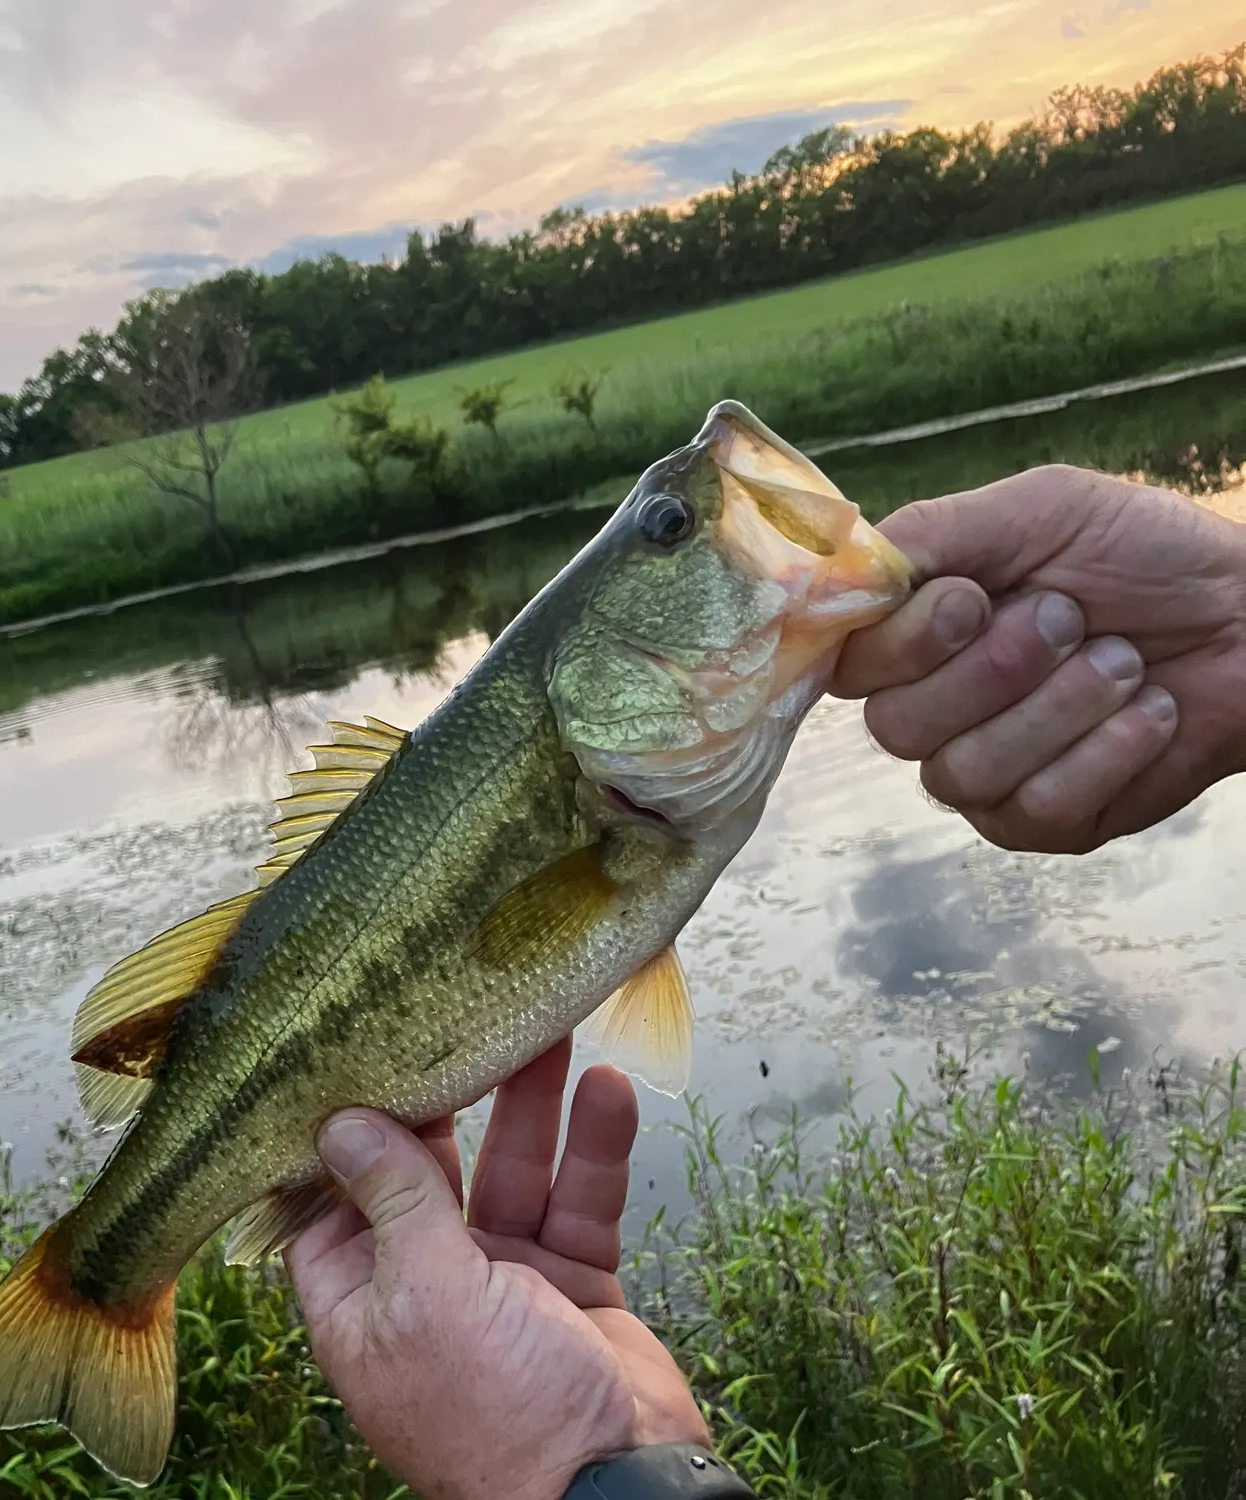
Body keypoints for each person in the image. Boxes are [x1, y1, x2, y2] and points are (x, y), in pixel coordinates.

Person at [285, 464, 1246, 1499]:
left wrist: (553, 1473)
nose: (713, 506)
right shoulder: (604, 803)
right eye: (672, 529)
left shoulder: (625, 812)